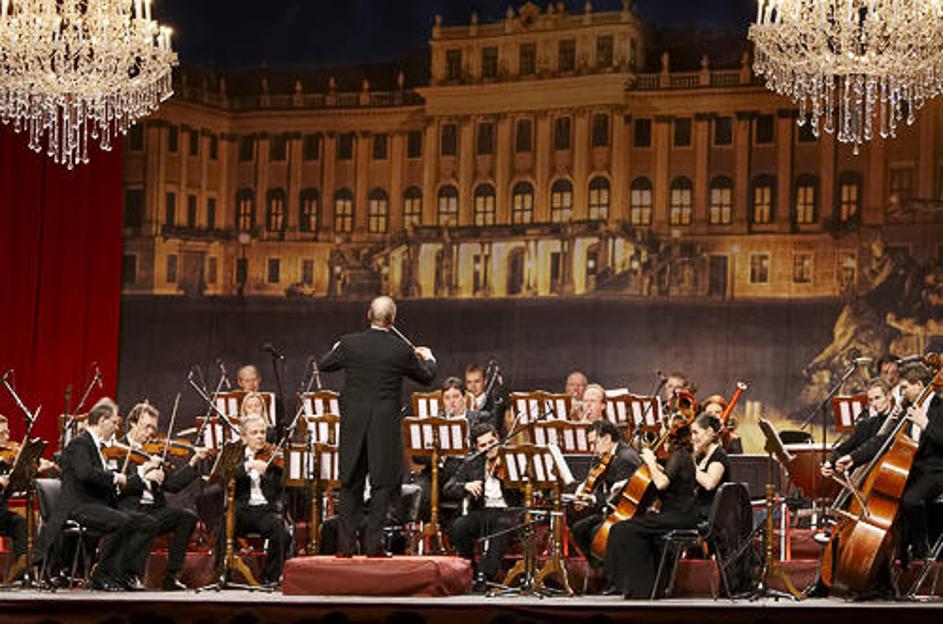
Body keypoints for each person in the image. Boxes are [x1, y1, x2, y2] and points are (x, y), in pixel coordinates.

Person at [318, 295, 436, 557]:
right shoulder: (401, 349)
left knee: (350, 482)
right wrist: (428, 357)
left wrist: (338, 346)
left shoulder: (349, 343)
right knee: (382, 485)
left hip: (354, 424)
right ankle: (373, 546)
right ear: (393, 319)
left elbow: (325, 364)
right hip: (384, 425)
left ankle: (345, 547)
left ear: (368, 315)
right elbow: (427, 376)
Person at [34, 399, 158, 591]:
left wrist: (136, 476)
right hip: (78, 506)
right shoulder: (79, 443)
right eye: (114, 423)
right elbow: (85, 474)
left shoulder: (98, 447)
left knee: (147, 523)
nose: (117, 428)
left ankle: (126, 575)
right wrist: (115, 477)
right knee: (120, 521)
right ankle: (102, 575)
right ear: (102, 421)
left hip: (97, 503)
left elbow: (102, 481)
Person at [115, 402, 208, 590]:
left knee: (187, 517)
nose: (151, 433)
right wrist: (143, 475)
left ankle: (171, 576)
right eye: (147, 426)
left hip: (154, 509)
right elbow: (117, 489)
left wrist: (193, 462)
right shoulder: (118, 450)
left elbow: (172, 485)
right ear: (133, 423)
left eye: (153, 428)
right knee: (146, 522)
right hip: (129, 509)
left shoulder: (154, 452)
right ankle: (131, 575)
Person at [603, 422, 697, 599]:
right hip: (673, 514)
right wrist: (627, 484)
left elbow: (661, 484)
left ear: (670, 434)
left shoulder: (679, 455)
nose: (659, 433)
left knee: (623, 529)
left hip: (680, 515)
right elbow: (658, 480)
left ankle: (641, 588)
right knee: (626, 528)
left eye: (662, 430)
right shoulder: (677, 456)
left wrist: (651, 461)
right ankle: (645, 586)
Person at [443, 423, 522, 591]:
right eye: (483, 445)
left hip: (508, 511)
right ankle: (469, 568)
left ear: (498, 439)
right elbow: (448, 488)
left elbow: (524, 490)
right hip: (482, 511)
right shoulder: (472, 463)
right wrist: (466, 486)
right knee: (459, 526)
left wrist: (510, 478)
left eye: (492, 442)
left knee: (502, 526)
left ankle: (487, 575)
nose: (489, 448)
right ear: (476, 448)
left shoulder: (512, 459)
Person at [568, 419, 641, 568]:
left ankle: (610, 570)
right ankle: (601, 566)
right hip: (611, 511)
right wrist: (583, 488)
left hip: (626, 514)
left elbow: (621, 497)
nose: (593, 449)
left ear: (607, 438)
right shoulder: (611, 455)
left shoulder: (625, 458)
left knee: (596, 533)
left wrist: (594, 498)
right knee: (578, 528)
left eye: (594, 443)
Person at [230, 414, 291, 585]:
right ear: (243, 437)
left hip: (265, 510)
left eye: (262, 432)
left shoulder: (273, 456)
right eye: (254, 432)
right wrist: (248, 465)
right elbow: (225, 475)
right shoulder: (234, 454)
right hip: (241, 510)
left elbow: (283, 485)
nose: (260, 437)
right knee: (223, 525)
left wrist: (277, 468)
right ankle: (222, 573)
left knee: (282, 531)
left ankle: (270, 577)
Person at [821, 378, 895, 479]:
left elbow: (877, 443)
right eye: (871, 400)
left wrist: (853, 457)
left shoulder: (899, 422)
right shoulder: (866, 425)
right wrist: (830, 463)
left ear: (889, 396)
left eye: (877, 398)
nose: (874, 404)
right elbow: (844, 448)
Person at [0, 415, 27, 583]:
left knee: (20, 522)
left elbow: (10, 490)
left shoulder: (5, 461)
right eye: (1, 434)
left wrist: (21, 476)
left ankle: (20, 566)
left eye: (7, 432)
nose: (7, 437)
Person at [691, 413, 730, 521]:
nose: (692, 438)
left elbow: (709, 484)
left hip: (709, 515)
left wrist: (692, 466)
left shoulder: (719, 455)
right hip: (696, 511)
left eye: (696, 432)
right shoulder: (700, 456)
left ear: (709, 431)